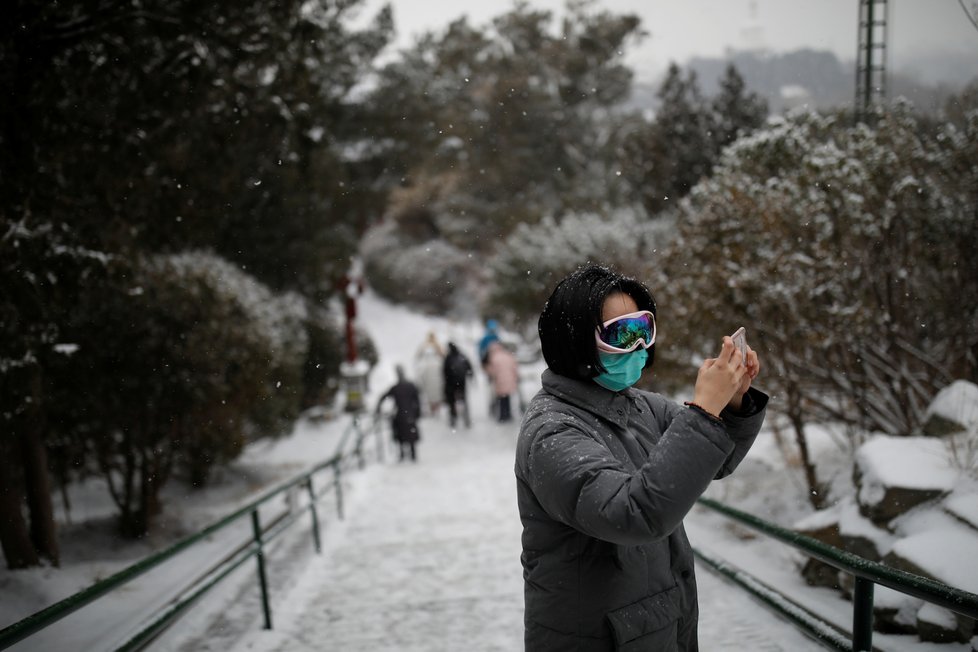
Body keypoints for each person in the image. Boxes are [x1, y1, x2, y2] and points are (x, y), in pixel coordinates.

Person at [515, 264, 767, 651]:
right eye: (620, 334)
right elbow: (634, 514)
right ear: (575, 341)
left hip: (657, 627)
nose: (636, 346)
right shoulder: (552, 432)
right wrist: (703, 411)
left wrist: (729, 405)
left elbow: (712, 459)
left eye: (642, 330)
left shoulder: (639, 406)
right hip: (596, 637)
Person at [375, 365, 422, 462]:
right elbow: (417, 400)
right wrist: (417, 412)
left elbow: (383, 397)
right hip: (410, 414)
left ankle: (402, 454)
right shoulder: (411, 386)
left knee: (401, 435)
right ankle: (413, 454)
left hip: (400, 414)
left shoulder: (396, 387)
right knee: (410, 434)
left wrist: (378, 408)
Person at [484, 340, 520, 422]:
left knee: (501, 399)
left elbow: (492, 371)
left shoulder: (494, 358)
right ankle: (508, 414)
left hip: (500, 381)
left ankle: (502, 416)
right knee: (507, 397)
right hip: (510, 380)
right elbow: (514, 367)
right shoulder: (508, 355)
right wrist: (516, 376)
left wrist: (487, 370)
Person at [442, 342, 473, 429]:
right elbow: (469, 367)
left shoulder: (448, 358)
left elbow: (444, 372)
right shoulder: (462, 356)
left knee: (452, 402)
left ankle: (453, 418)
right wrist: (470, 377)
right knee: (463, 401)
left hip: (451, 384)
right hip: (461, 383)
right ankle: (467, 419)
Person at [414, 331, 445, 416]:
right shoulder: (425, 345)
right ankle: (432, 406)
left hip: (434, 369)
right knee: (430, 389)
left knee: (435, 389)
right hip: (429, 369)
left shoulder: (436, 345)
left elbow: (442, 355)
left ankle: (435, 406)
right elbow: (418, 356)